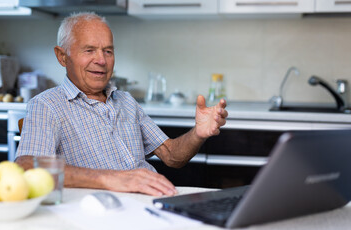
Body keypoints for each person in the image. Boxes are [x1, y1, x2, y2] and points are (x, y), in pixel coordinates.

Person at [15, 12, 228, 197]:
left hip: (149, 202)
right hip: (99, 214)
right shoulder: (46, 105)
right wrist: (113, 179)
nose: (101, 60)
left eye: (108, 51)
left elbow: (173, 156)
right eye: (89, 50)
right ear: (62, 56)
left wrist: (198, 133)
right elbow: (27, 168)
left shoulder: (126, 101)